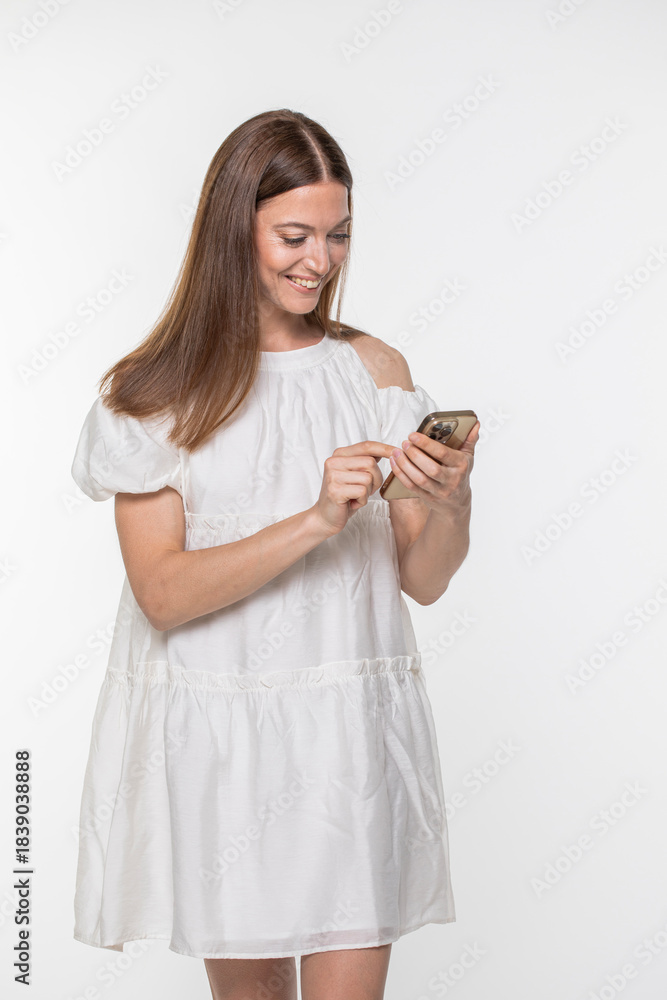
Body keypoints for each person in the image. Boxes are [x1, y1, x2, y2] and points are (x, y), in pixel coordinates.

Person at [70, 108, 479, 1000]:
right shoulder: (156, 395)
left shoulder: (373, 371)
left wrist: (450, 502)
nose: (319, 261)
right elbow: (163, 593)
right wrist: (315, 519)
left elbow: (422, 579)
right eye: (294, 236)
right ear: (233, 229)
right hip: (229, 750)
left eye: (338, 236)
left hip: (350, 739)